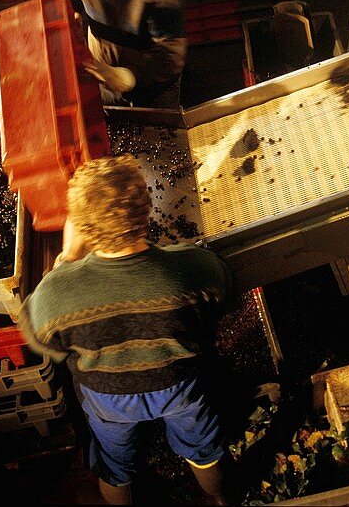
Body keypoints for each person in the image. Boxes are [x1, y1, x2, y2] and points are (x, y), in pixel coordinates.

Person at [19, 155, 236, 506]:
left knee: (114, 461)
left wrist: (68, 257)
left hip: (108, 397)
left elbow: (43, 341)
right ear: (146, 210)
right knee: (202, 446)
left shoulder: (55, 295)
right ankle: (220, 498)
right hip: (179, 385)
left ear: (82, 228)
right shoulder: (194, 267)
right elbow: (222, 295)